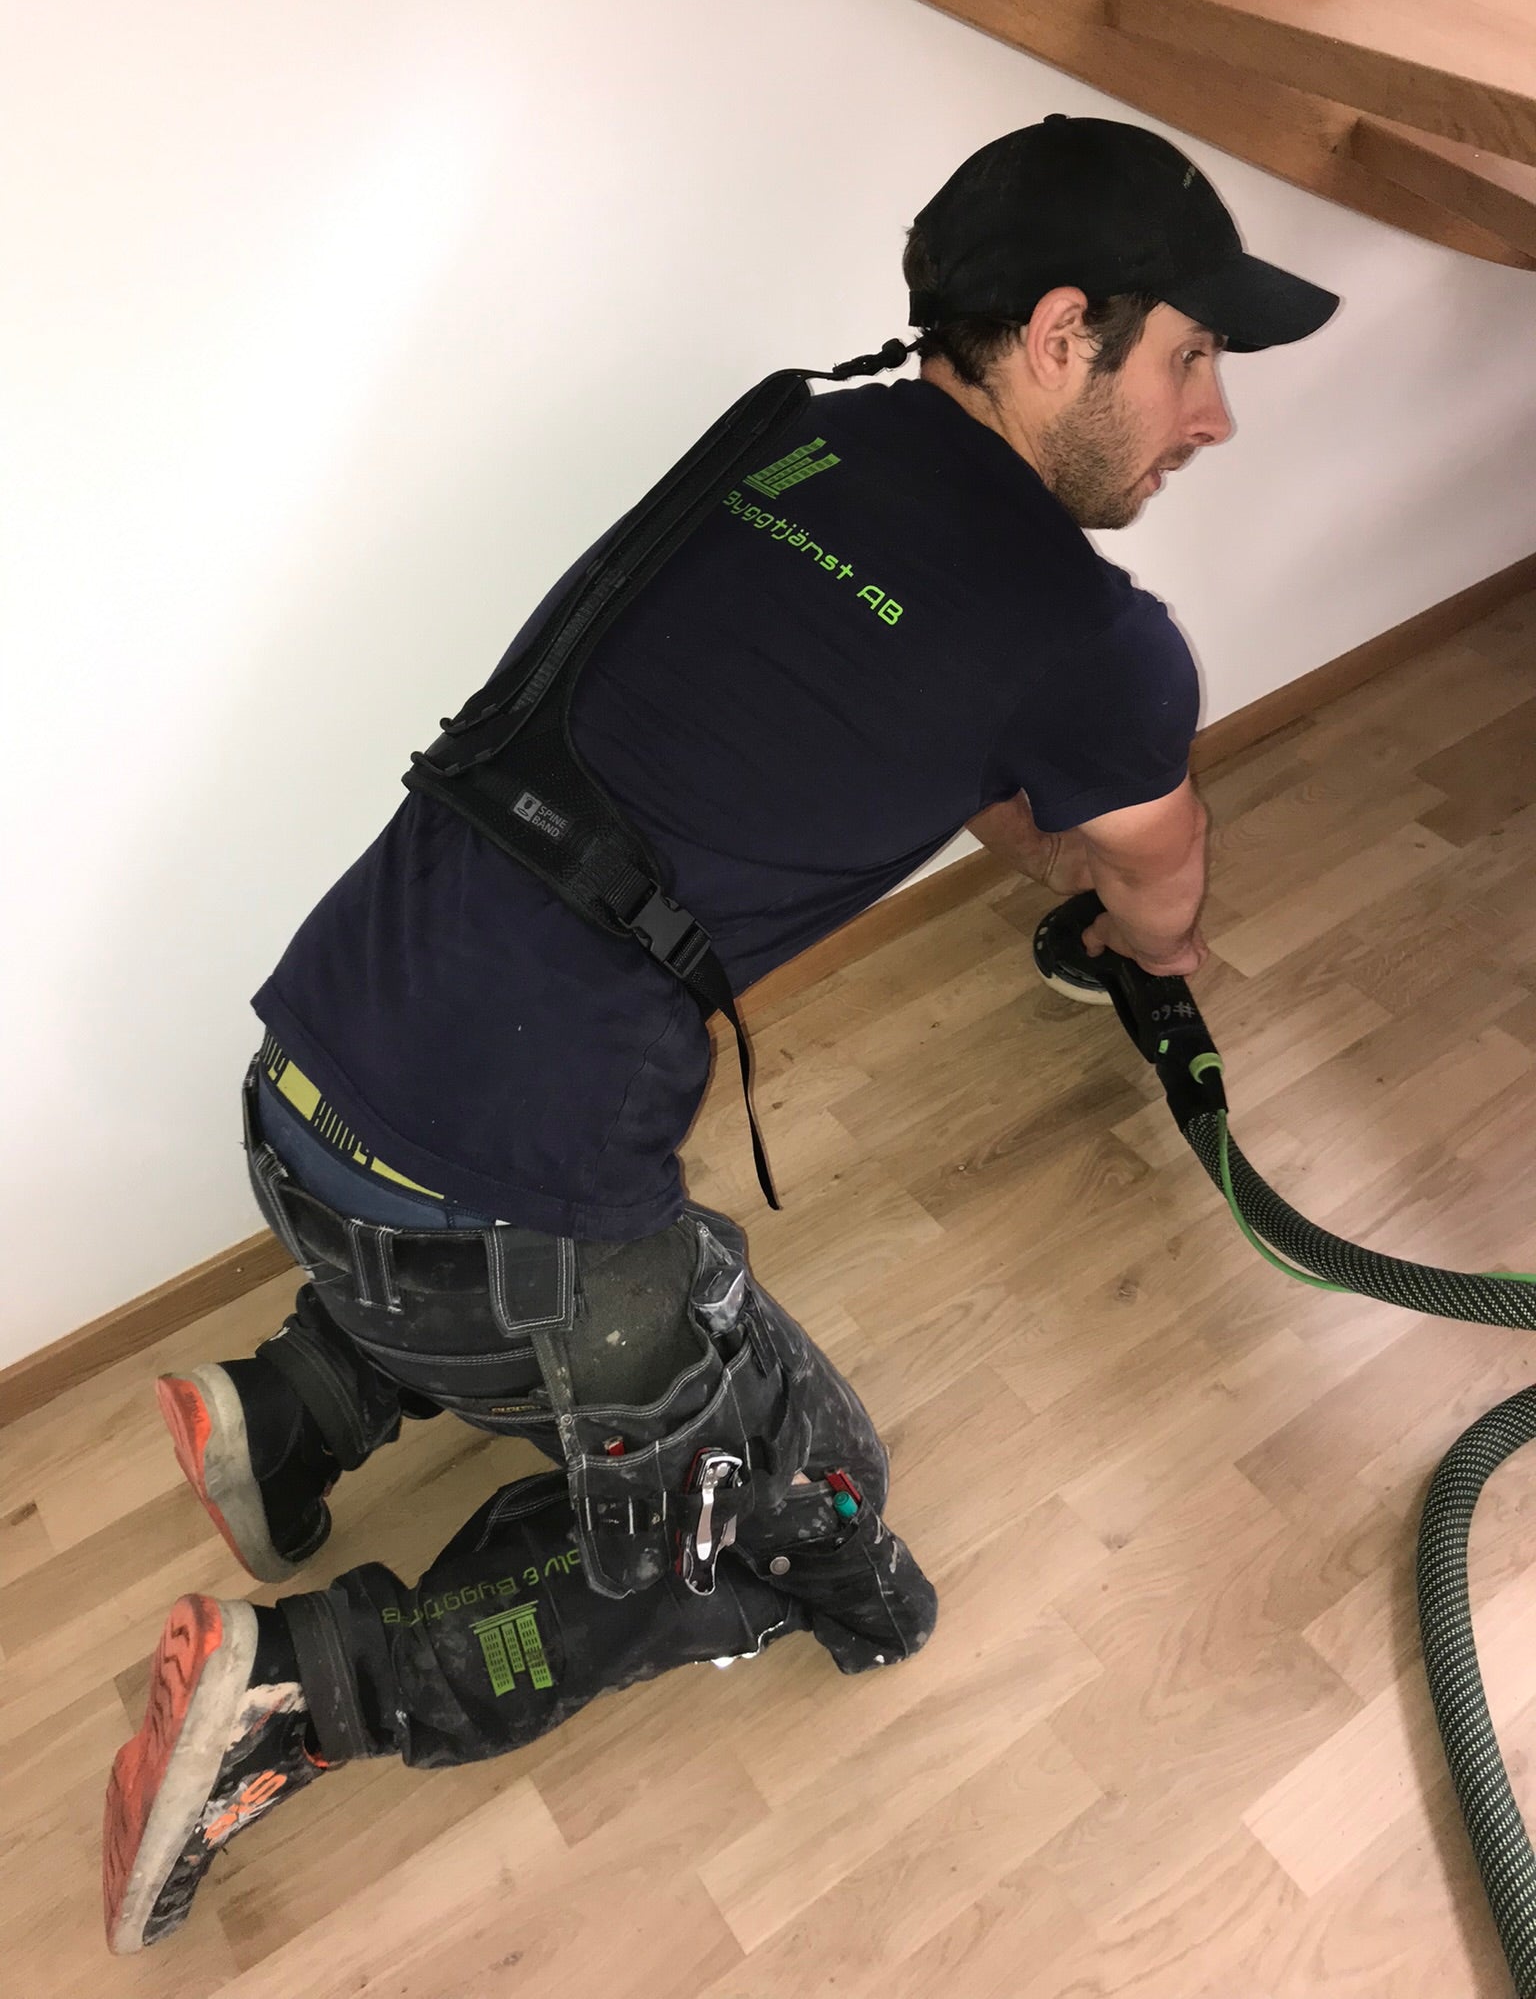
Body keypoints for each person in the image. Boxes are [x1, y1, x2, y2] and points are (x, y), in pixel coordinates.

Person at [103, 113, 1338, 1952]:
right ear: (1062, 333)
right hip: (479, 1212)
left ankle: (291, 1410)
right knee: (807, 1503)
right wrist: (1156, 948)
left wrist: (1056, 852)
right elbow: (1154, 879)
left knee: (558, 1260)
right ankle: (302, 1688)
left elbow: (968, 773)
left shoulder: (790, 444)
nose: (1213, 418)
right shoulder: (1090, 636)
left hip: (306, 1085)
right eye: (1191, 359)